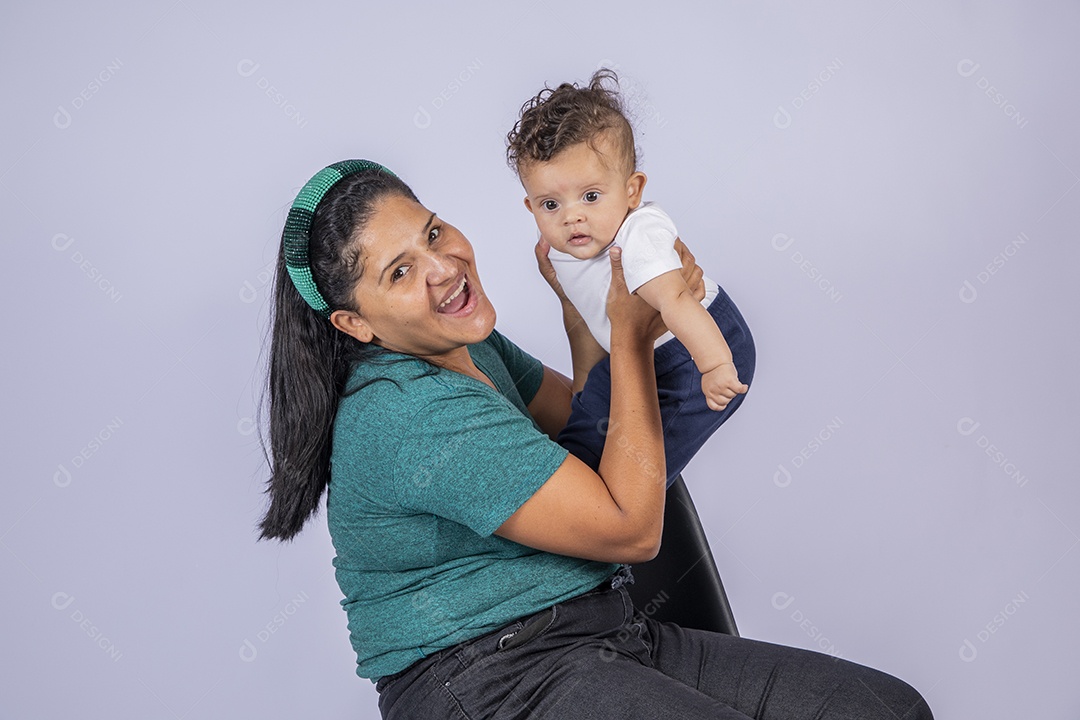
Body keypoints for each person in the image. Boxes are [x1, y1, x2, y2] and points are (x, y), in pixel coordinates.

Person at [257, 159, 934, 719]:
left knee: (884, 711)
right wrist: (632, 335)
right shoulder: (408, 414)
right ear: (354, 323)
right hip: (486, 682)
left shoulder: (469, 344)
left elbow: (590, 421)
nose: (442, 267)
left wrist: (611, 304)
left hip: (601, 631)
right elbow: (630, 528)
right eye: (398, 272)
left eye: (433, 234)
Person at [507, 69, 755, 485]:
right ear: (531, 207)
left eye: (591, 196)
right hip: (628, 349)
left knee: (635, 473)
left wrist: (714, 365)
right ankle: (577, 507)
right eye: (550, 203)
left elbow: (676, 300)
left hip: (691, 351)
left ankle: (619, 527)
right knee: (581, 452)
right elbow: (588, 317)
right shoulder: (561, 243)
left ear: (632, 191)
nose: (572, 216)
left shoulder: (637, 236)